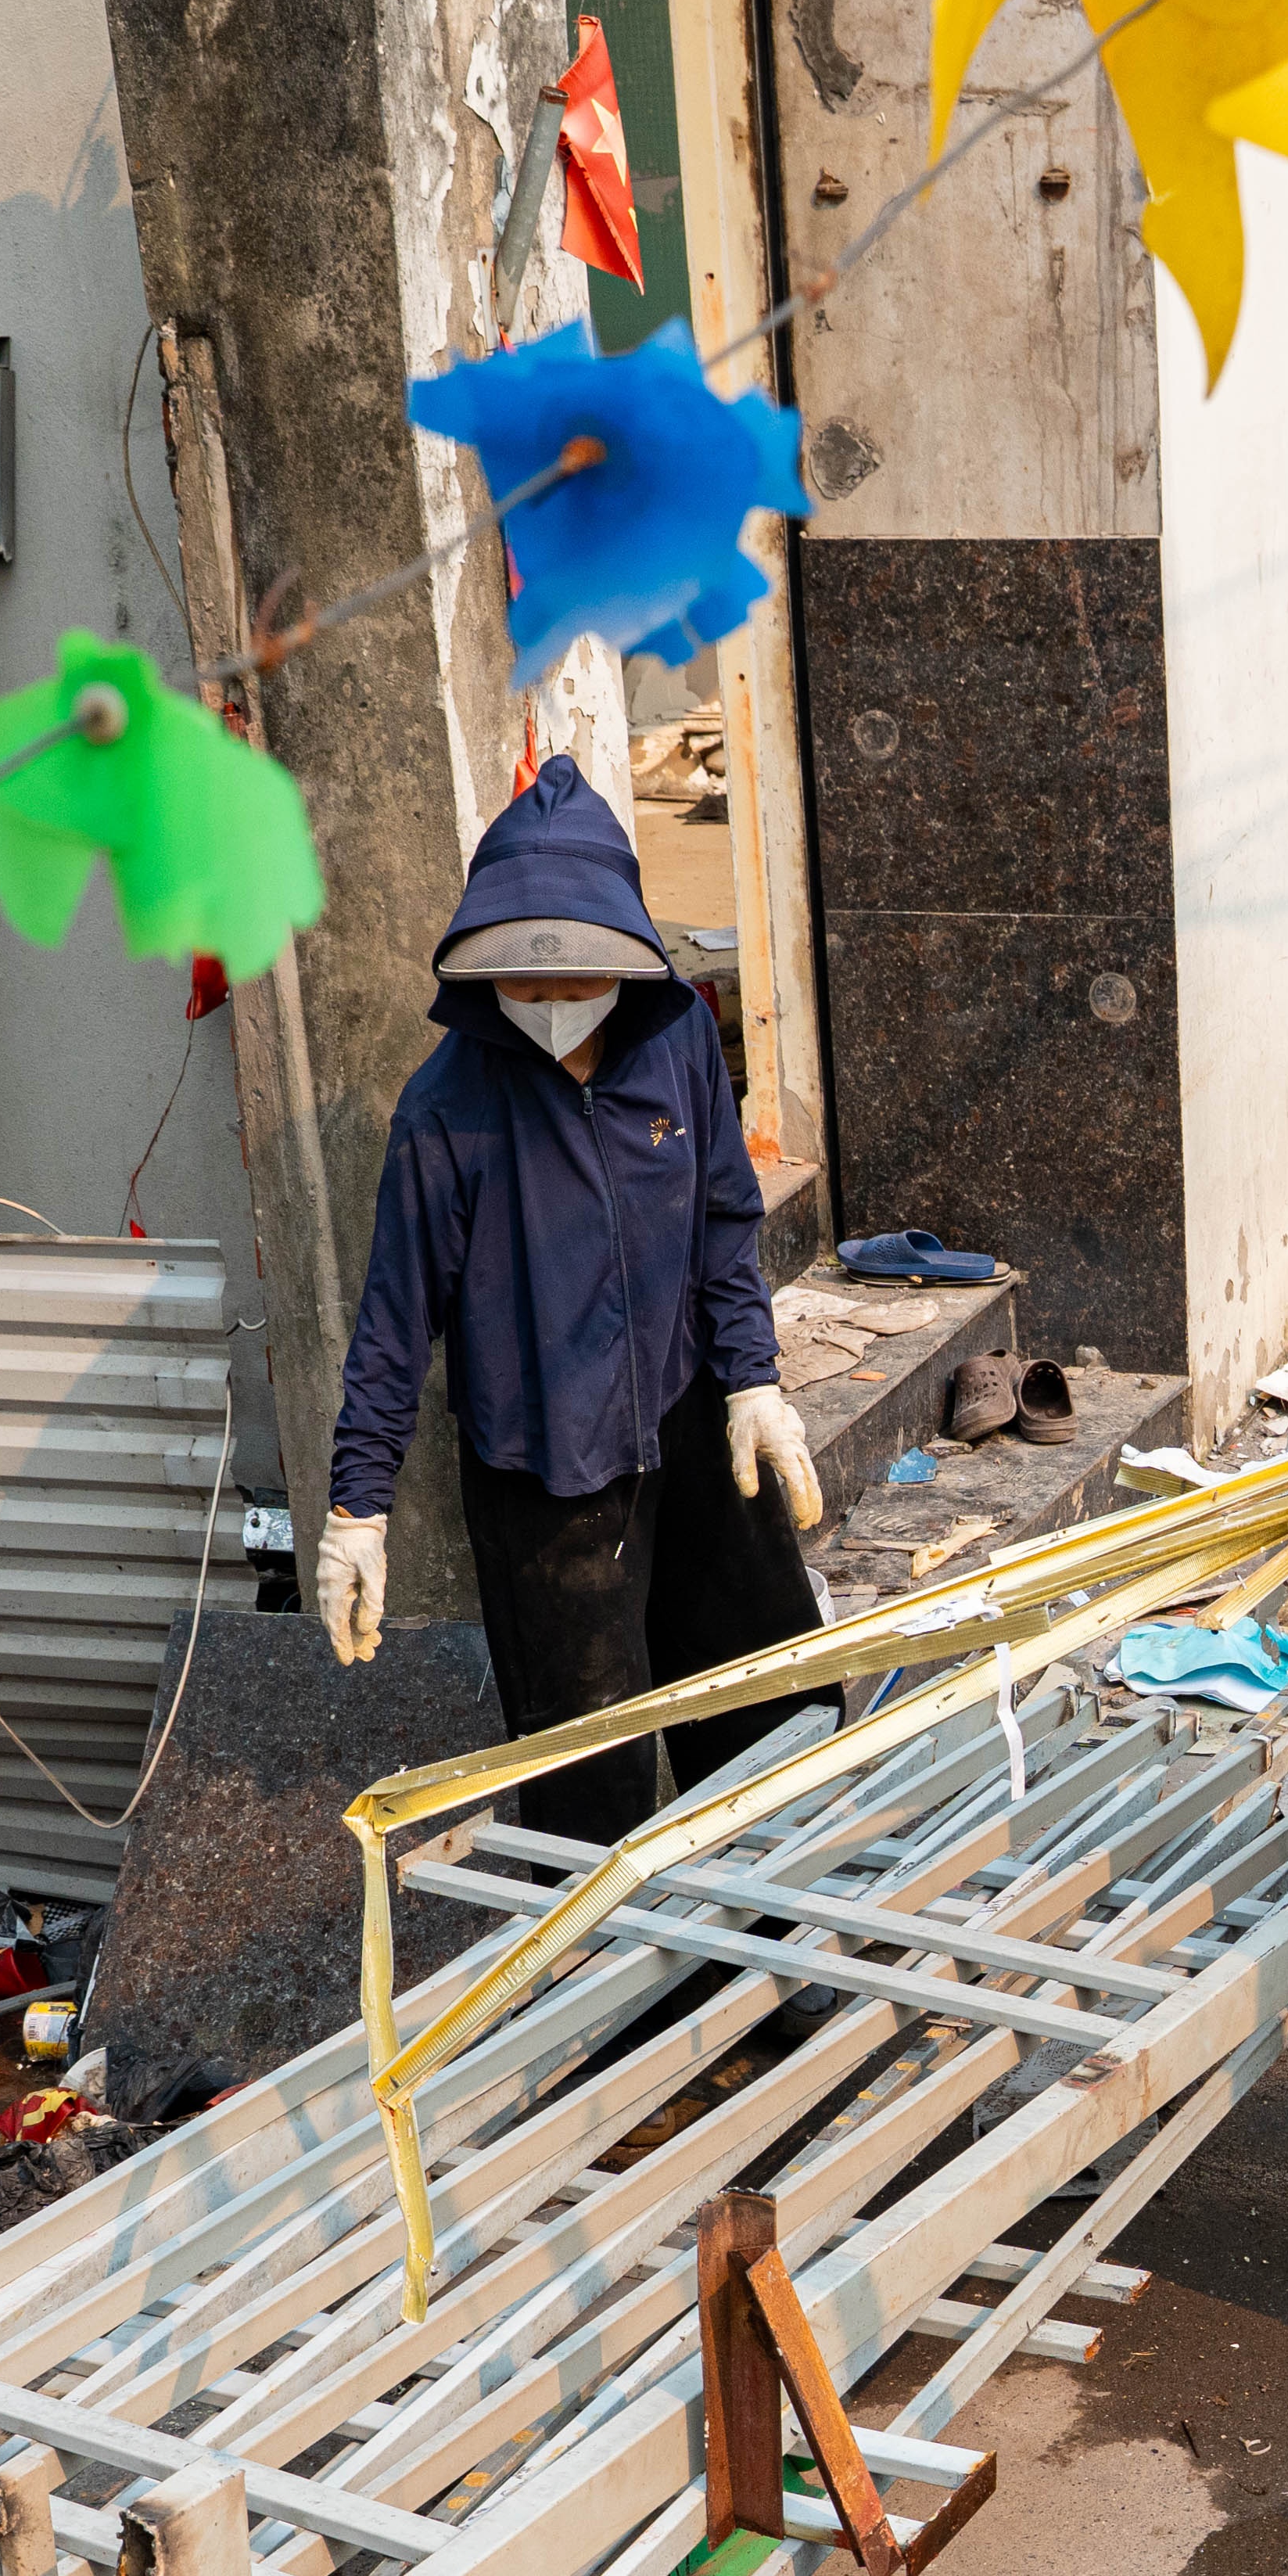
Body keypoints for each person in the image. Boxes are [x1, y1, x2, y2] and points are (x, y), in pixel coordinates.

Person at [318, 756, 826, 1841]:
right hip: (543, 1471)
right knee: (587, 1771)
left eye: (572, 984)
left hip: (690, 1425)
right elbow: (393, 1325)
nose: (551, 1010)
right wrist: (356, 1509)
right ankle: (620, 2007)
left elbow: (726, 1225)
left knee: (767, 1710)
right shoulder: (445, 1111)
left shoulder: (680, 1041)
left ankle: (791, 1986)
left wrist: (752, 1381)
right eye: (526, 988)